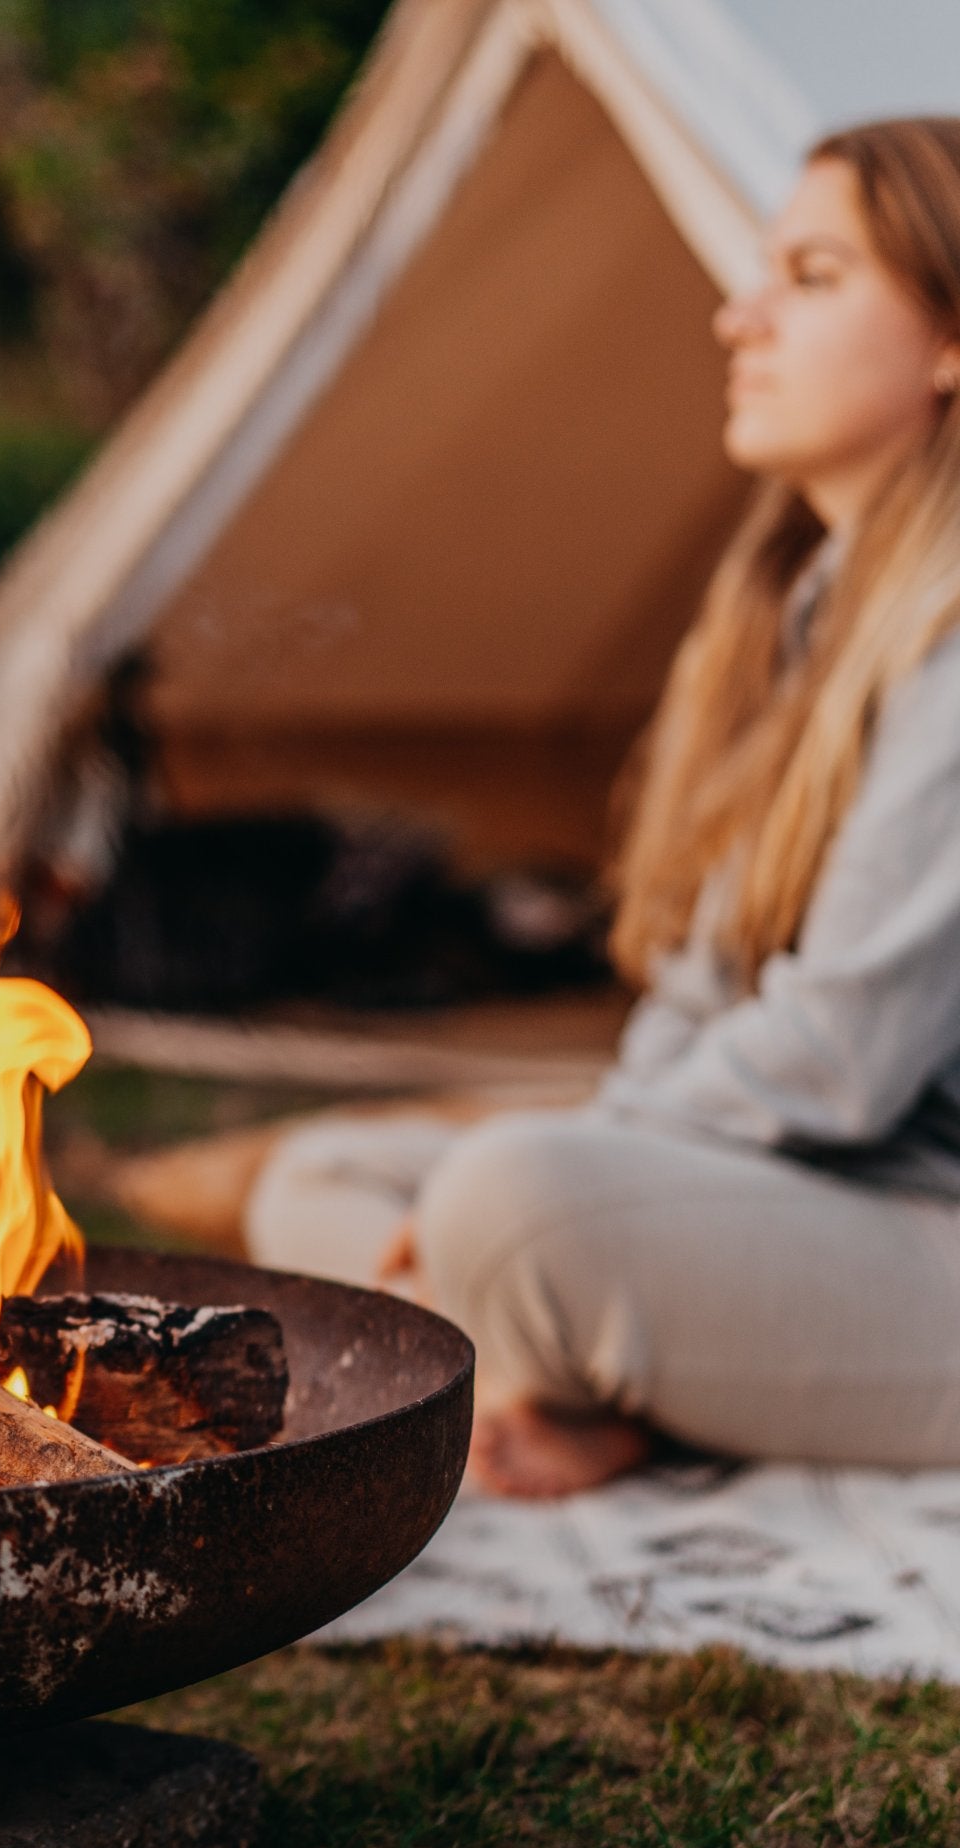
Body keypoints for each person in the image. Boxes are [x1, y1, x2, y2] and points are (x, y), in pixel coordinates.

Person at [245, 118, 960, 1498]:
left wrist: (585, 1168)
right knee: (320, 1175)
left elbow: (840, 1058)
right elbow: (705, 996)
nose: (736, 315)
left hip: (926, 1233)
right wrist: (611, 1147)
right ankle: (567, 1380)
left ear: (948, 341)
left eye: (811, 278)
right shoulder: (799, 616)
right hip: (812, 1204)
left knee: (513, 1206)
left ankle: (551, 1362)